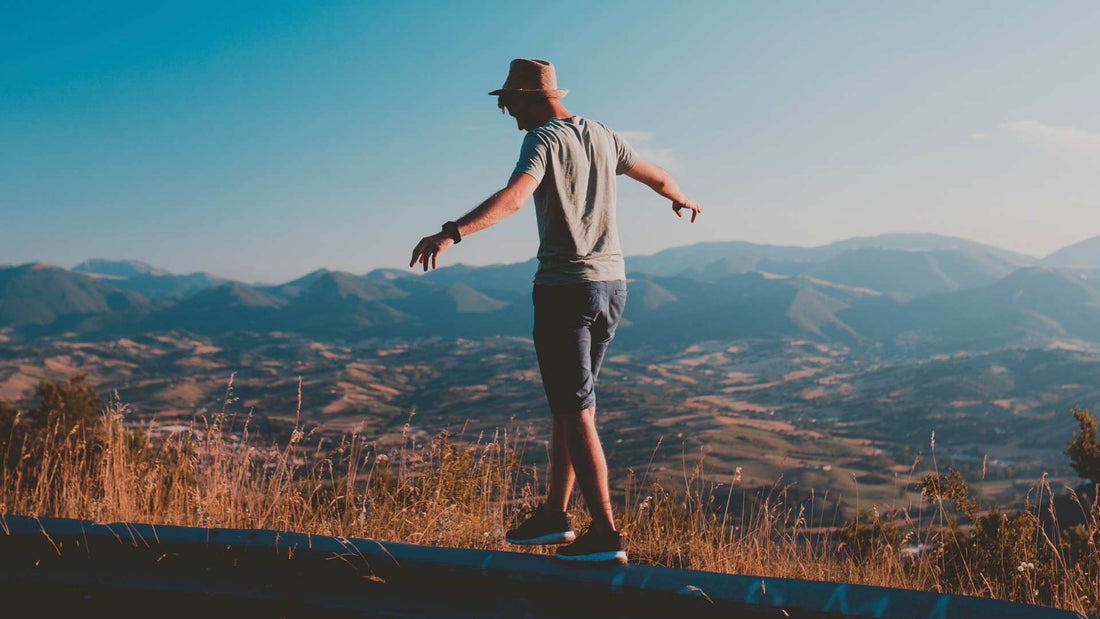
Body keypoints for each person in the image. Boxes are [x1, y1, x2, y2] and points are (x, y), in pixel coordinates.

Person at [409, 58, 701, 563]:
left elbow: (516, 199)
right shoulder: (603, 134)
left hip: (565, 290)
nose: (509, 115)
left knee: (576, 410)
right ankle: (553, 515)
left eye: (509, 104)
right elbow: (658, 175)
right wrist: (680, 197)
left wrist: (452, 231)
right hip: (612, 287)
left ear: (527, 97)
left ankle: (605, 534)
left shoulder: (542, 140)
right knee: (572, 406)